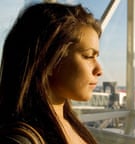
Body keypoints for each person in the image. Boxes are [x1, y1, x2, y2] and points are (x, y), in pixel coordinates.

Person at [0, 2, 103, 144]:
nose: (99, 70)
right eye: (88, 56)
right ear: (48, 61)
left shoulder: (70, 125)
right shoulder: (21, 140)